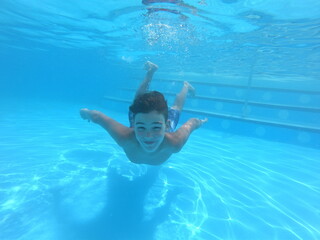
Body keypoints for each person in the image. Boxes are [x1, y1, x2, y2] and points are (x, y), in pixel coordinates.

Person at [80, 61, 207, 165]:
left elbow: (191, 124)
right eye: (141, 128)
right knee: (138, 101)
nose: (148, 136)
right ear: (133, 124)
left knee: (176, 108)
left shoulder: (175, 143)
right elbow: (96, 116)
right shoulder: (125, 137)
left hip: (155, 126)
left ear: (166, 125)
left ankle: (186, 86)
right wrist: (85, 113)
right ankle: (151, 71)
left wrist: (200, 122)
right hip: (144, 122)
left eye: (156, 127)